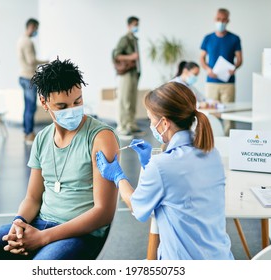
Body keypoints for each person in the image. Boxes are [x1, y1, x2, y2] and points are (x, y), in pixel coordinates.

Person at [0, 58, 119, 260]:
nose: (72, 110)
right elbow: (32, 197)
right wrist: (19, 224)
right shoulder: (41, 139)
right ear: (44, 102)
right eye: (62, 106)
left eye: (77, 101)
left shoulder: (101, 138)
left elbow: (104, 212)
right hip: (39, 224)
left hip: (79, 234)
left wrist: (43, 238)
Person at [95, 82, 234, 260]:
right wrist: (148, 164)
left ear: (165, 123)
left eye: (151, 120)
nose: (151, 125)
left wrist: (117, 175)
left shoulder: (162, 165)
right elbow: (177, 191)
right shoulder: (212, 153)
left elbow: (137, 208)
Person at [200, 8, 242, 134]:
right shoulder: (207, 38)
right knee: (211, 112)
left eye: (224, 20)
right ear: (215, 19)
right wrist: (208, 69)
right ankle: (211, 137)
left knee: (229, 113)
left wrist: (234, 67)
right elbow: (201, 58)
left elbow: (239, 59)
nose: (221, 22)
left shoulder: (235, 38)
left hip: (228, 83)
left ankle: (229, 138)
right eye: (218, 19)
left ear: (228, 20)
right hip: (211, 82)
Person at [17, 18, 48, 145]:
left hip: (22, 77)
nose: (36, 31)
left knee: (27, 107)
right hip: (29, 78)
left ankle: (27, 132)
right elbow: (31, 61)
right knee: (31, 108)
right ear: (31, 26)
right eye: (36, 28)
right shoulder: (28, 42)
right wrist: (45, 62)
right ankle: (29, 134)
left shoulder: (20, 40)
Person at [113, 16, 142, 138]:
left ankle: (131, 124)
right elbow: (116, 55)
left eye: (138, 24)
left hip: (134, 73)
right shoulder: (125, 39)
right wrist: (131, 57)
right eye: (135, 24)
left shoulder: (134, 39)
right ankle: (122, 126)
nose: (137, 27)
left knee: (131, 100)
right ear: (129, 25)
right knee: (124, 100)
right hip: (126, 74)